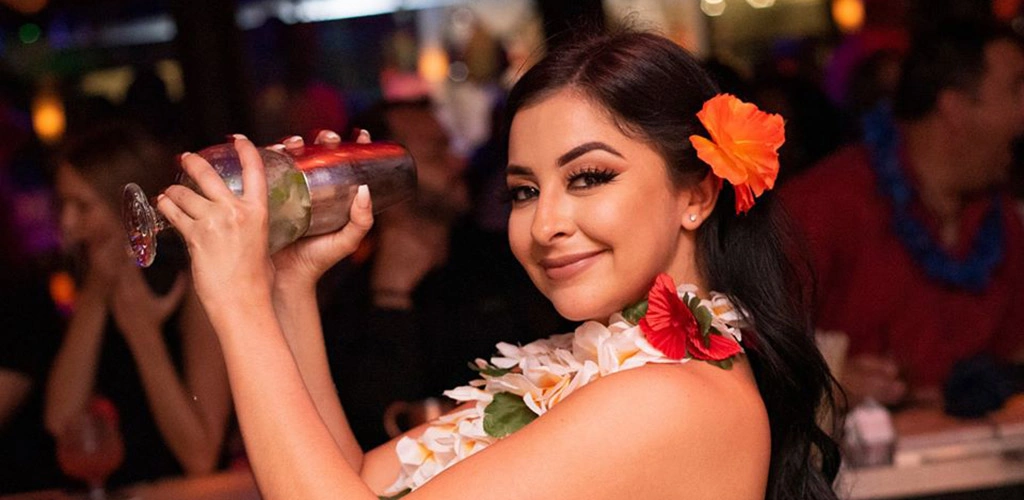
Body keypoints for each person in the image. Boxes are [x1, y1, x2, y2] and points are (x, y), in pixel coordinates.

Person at [156, 30, 840, 499]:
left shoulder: (675, 397)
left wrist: (236, 304)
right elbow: (359, 482)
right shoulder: (588, 366)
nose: (545, 224)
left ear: (695, 194)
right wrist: (289, 287)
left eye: (589, 177)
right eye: (523, 191)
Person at [781, 21, 1024, 411]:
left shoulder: (1003, 221)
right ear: (955, 108)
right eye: (1016, 88)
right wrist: (832, 382)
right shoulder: (823, 206)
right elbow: (753, 357)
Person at [316, 98, 566, 449]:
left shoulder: (506, 256)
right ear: (381, 181)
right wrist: (391, 296)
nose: (458, 163)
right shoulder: (348, 299)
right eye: (437, 153)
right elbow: (372, 428)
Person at [43, 122, 233, 487]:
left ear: (130, 205)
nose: (68, 224)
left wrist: (142, 332)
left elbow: (201, 456)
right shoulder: (90, 282)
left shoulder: (191, 277)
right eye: (62, 205)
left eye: (82, 206)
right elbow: (61, 422)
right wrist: (98, 294)